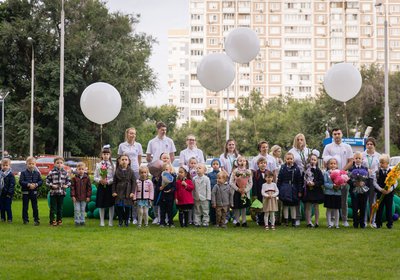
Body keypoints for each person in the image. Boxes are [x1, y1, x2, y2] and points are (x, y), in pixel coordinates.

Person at [322, 128, 353, 227]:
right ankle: (331, 221)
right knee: (331, 198)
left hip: (343, 176)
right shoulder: (328, 147)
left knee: (343, 199)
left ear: (342, 134)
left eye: (338, 133)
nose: (337, 136)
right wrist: (332, 172)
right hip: (331, 177)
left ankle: (344, 219)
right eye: (335, 134)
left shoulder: (347, 147)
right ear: (332, 136)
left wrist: (341, 172)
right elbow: (325, 161)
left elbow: (351, 161)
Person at [118, 128, 143, 225]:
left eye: (134, 134)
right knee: (126, 194)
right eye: (131, 133)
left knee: (134, 194)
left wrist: (136, 167)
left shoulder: (138, 145)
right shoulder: (122, 145)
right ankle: (126, 217)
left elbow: (139, 158)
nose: (133, 135)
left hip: (135, 171)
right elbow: (120, 159)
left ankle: (135, 216)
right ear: (127, 134)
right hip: (125, 171)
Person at [277, 152, 303, 227]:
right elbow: (279, 180)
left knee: (293, 206)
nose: (289, 160)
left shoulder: (296, 169)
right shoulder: (282, 168)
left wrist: (300, 191)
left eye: (291, 159)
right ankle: (286, 221)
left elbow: (299, 181)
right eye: (288, 159)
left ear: (293, 159)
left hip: (294, 189)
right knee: (285, 205)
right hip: (284, 189)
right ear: (285, 159)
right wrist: (279, 190)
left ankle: (294, 221)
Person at [373, 154, 397, 229]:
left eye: (382, 163)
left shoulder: (392, 172)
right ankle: (378, 223)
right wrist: (381, 189)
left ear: (387, 163)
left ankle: (390, 223)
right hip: (380, 193)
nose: (381, 164)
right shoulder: (377, 172)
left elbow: (396, 183)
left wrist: (390, 190)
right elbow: (374, 182)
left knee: (389, 208)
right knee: (379, 208)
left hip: (389, 194)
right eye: (380, 163)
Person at [112, 154, 136, 227]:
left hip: (128, 191)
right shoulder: (116, 171)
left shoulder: (131, 171)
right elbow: (114, 182)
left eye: (126, 160)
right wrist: (113, 191)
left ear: (128, 162)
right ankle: (120, 220)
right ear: (119, 161)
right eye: (122, 160)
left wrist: (132, 192)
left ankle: (126, 220)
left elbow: (134, 182)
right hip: (119, 191)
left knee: (127, 207)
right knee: (119, 207)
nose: (124, 161)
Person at [94, 145, 115, 227]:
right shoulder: (98, 165)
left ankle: (110, 221)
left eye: (107, 154)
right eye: (104, 154)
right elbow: (95, 176)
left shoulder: (113, 165)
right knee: (101, 203)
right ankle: (101, 221)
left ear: (110, 155)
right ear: (101, 155)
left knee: (111, 204)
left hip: (109, 186)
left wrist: (108, 181)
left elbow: (114, 177)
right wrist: (100, 180)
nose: (106, 156)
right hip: (101, 186)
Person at [46, 157, 71, 226]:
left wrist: (67, 185)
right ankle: (52, 220)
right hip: (53, 193)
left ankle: (59, 220)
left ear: (63, 164)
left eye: (61, 163)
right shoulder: (51, 172)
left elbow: (69, 182)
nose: (59, 164)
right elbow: (47, 182)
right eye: (57, 163)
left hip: (61, 193)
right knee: (53, 208)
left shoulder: (65, 173)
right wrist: (52, 185)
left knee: (60, 207)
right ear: (54, 164)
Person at [362, 137, 380, 227]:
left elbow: (380, 169)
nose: (369, 146)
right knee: (365, 201)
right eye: (368, 144)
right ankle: (364, 221)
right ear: (366, 145)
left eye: (371, 144)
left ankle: (373, 221)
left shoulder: (378, 156)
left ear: (374, 145)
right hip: (365, 180)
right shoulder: (362, 155)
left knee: (373, 202)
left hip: (374, 181)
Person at [302, 153, 324, 228]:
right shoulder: (306, 170)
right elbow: (303, 179)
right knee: (308, 206)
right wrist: (307, 183)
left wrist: (314, 183)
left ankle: (316, 222)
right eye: (312, 159)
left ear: (317, 161)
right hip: (308, 190)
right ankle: (308, 222)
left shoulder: (318, 170)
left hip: (316, 191)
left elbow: (321, 181)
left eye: (314, 160)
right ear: (309, 160)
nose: (313, 161)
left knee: (316, 206)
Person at [19, 156, 43, 225]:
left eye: (33, 164)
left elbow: (40, 181)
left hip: (34, 192)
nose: (31, 165)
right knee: (25, 207)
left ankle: (36, 220)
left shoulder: (37, 173)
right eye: (29, 164)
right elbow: (21, 181)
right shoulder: (23, 173)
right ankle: (25, 220)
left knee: (35, 207)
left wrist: (36, 184)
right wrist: (28, 184)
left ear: (35, 164)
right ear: (26, 164)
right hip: (25, 192)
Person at [230, 156, 252, 227]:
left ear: (246, 162)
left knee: (243, 207)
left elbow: (250, 182)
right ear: (237, 162)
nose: (242, 162)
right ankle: (237, 221)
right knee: (236, 207)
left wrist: (245, 190)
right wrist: (237, 189)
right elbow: (231, 182)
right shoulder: (235, 171)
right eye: (240, 161)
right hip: (236, 192)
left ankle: (244, 221)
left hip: (244, 191)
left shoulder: (248, 171)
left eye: (244, 161)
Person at [70, 162, 92, 226]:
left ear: (85, 170)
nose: (81, 170)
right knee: (77, 210)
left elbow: (89, 188)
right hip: (76, 197)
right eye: (79, 169)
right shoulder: (74, 178)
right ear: (77, 170)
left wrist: (88, 196)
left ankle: (82, 221)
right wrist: (73, 196)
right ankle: (77, 221)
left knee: (82, 209)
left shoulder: (87, 178)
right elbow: (72, 188)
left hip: (84, 197)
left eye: (82, 169)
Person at [323, 158, 342, 229]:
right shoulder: (326, 173)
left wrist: (339, 186)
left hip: (337, 193)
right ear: (328, 165)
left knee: (337, 209)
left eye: (334, 163)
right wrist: (332, 186)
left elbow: (342, 182)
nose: (333, 165)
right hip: (329, 193)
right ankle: (329, 223)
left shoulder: (340, 173)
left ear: (337, 165)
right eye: (331, 163)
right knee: (329, 209)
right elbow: (325, 183)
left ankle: (336, 224)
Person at [157, 163, 176, 227]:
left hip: (170, 197)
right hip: (162, 196)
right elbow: (157, 187)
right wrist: (160, 188)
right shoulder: (161, 178)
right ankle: (162, 222)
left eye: (167, 169)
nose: (166, 171)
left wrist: (170, 190)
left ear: (170, 170)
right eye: (164, 170)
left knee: (170, 210)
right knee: (162, 210)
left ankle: (170, 222)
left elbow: (174, 187)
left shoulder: (172, 178)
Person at [252, 157, 268, 226]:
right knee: (259, 207)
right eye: (261, 163)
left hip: (267, 193)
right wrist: (255, 194)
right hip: (259, 193)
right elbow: (254, 184)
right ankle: (260, 220)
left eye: (264, 163)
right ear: (258, 164)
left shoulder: (268, 172)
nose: (263, 164)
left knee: (266, 206)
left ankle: (266, 220)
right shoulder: (256, 173)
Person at [0, 158, 15, 223]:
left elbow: (12, 184)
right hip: (1, 193)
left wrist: (9, 193)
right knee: (1, 206)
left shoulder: (10, 175)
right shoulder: (0, 174)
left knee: (8, 206)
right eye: (3, 165)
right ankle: (3, 218)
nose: (5, 167)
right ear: (1, 166)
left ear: (9, 166)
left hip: (8, 194)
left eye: (6, 165)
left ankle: (10, 218)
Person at [207, 158, 221, 225]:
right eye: (214, 164)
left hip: (219, 193)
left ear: (219, 165)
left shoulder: (221, 174)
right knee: (212, 206)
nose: (215, 165)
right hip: (212, 192)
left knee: (219, 206)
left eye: (217, 164)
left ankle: (219, 219)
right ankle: (212, 219)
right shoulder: (209, 174)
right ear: (212, 165)